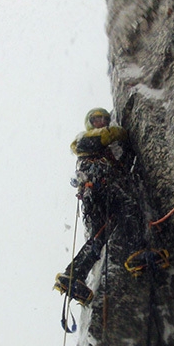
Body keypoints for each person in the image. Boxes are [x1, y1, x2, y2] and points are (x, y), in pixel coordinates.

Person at [54, 108, 129, 305]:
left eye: (105, 118)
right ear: (90, 122)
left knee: (101, 234)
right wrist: (118, 131)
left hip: (97, 190)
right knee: (120, 214)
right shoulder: (84, 139)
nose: (102, 122)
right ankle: (73, 275)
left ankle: (74, 275)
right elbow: (105, 136)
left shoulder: (104, 148)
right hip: (96, 190)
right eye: (97, 119)